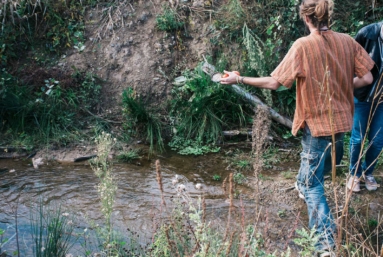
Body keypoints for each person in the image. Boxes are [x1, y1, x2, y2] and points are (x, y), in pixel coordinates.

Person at [220, 0, 374, 255]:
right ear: (328, 16)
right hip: (341, 124)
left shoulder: (303, 46)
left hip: (316, 126)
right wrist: (344, 84)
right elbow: (367, 77)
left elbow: (275, 83)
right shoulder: (347, 41)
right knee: (318, 174)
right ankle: (303, 188)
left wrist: (239, 78)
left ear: (306, 18)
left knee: (314, 185)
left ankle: (325, 246)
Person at [347, 22, 383, 192]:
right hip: (361, 97)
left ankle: (368, 173)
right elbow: (348, 63)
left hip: (382, 101)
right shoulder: (367, 34)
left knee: (377, 141)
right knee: (358, 138)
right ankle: (354, 173)